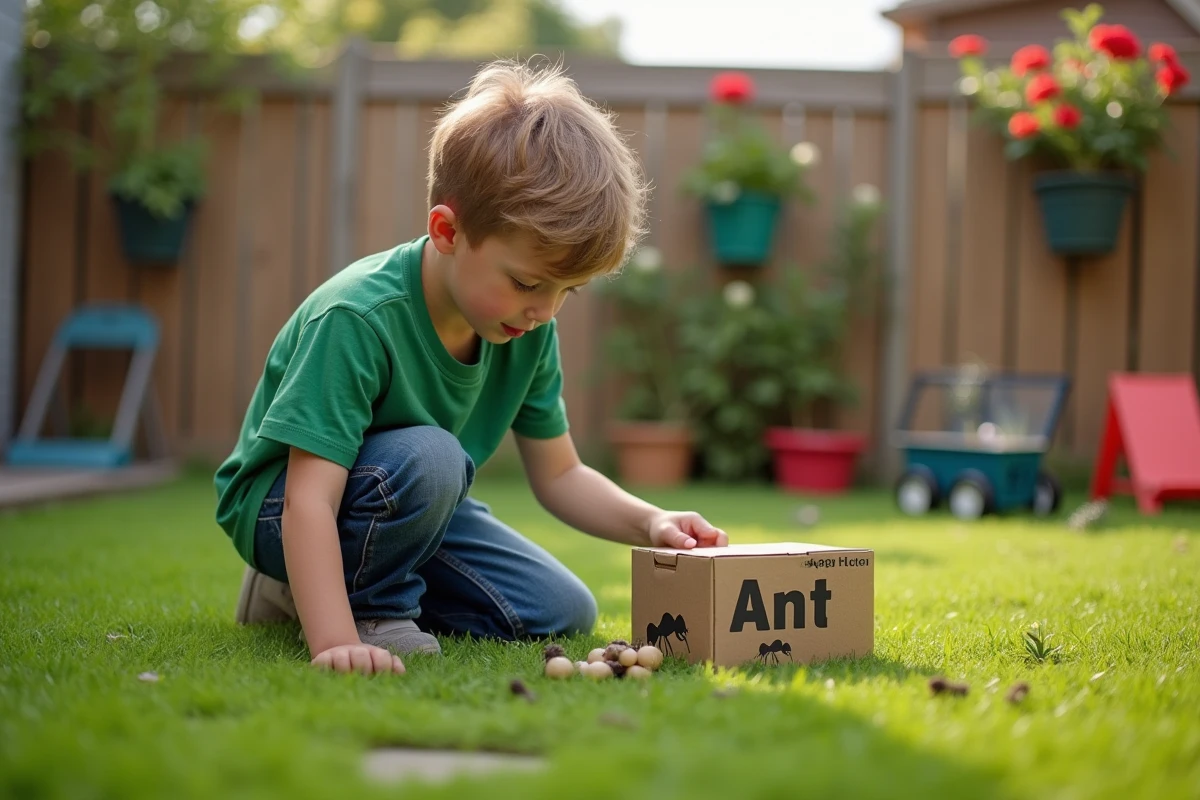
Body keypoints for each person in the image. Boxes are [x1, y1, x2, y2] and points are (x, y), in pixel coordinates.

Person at [213, 58, 728, 677]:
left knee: (560, 608)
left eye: (569, 291)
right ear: (447, 231)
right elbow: (308, 500)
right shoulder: (356, 317)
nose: (544, 310)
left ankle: (346, 584)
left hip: (410, 503)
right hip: (285, 508)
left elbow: (561, 475)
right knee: (432, 456)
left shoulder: (528, 331)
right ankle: (339, 600)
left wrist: (652, 521)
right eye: (527, 282)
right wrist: (335, 643)